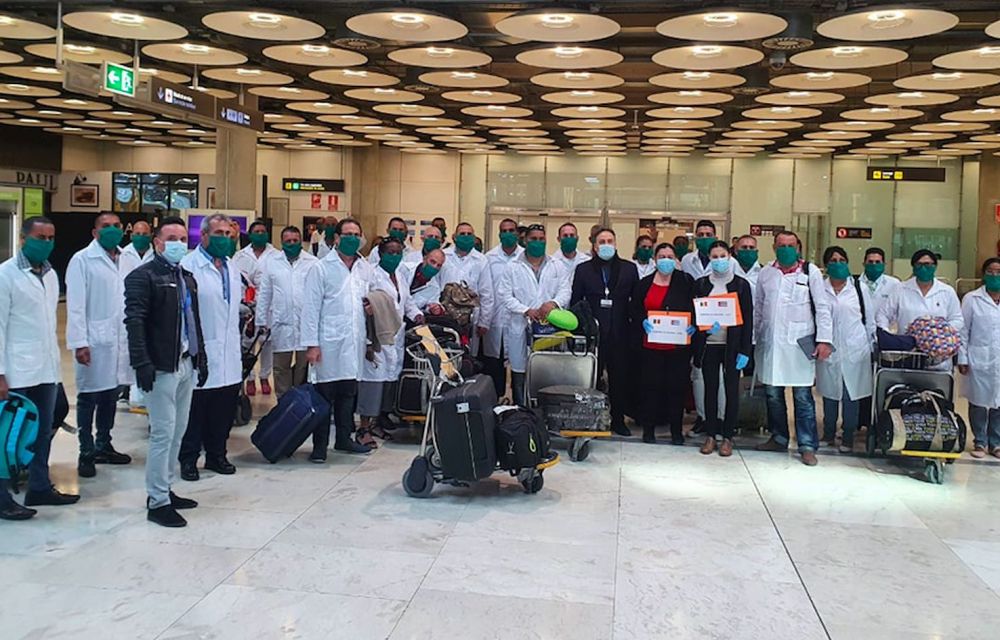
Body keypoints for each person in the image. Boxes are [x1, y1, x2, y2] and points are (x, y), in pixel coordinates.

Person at [124, 216, 207, 527]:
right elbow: (134, 322)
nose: (178, 244)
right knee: (162, 433)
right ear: (157, 243)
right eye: (172, 239)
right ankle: (157, 502)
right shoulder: (143, 276)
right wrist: (141, 363)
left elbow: (193, 322)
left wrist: (201, 357)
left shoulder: (186, 277)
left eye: (183, 239)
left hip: (185, 362)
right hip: (161, 366)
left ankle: (165, 488)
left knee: (178, 431)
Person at [0, 216, 79, 520]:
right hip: (15, 370)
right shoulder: (6, 275)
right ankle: (3, 496)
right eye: (40, 237)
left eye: (50, 238)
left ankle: (39, 486)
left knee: (42, 431)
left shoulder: (50, 275)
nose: (46, 243)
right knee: (9, 434)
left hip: (46, 369)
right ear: (23, 239)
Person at [755, 231, 833, 466]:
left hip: (799, 345)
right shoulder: (766, 273)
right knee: (773, 394)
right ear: (774, 247)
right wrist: (754, 337)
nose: (786, 249)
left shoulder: (810, 272)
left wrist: (824, 340)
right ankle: (778, 438)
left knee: (802, 396)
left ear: (798, 248)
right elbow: (759, 307)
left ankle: (807, 445)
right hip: (771, 343)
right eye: (781, 245)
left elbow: (822, 307)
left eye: (791, 245)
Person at [66, 212, 132, 479]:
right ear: (95, 232)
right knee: (88, 397)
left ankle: (104, 444)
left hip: (118, 339)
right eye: (106, 226)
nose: (112, 230)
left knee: (110, 394)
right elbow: (76, 305)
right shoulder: (82, 260)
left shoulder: (126, 258)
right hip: (93, 340)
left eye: (116, 226)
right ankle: (86, 450)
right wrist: (79, 342)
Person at [301, 218, 374, 459]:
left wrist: (371, 309)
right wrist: (312, 344)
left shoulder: (365, 268)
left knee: (348, 394)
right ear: (336, 238)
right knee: (324, 396)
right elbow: (310, 308)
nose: (352, 238)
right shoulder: (321, 268)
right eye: (347, 234)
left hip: (354, 341)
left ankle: (344, 440)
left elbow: (370, 300)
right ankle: (319, 447)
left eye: (356, 234)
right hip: (327, 343)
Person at [178, 213, 244, 481]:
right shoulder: (188, 266)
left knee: (223, 409)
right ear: (204, 235)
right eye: (218, 234)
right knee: (195, 411)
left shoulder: (232, 267)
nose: (224, 239)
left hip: (229, 353)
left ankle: (217, 455)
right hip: (200, 351)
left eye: (228, 234)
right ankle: (188, 459)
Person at [571, 227, 639, 436]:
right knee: (591, 378)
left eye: (610, 241)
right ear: (594, 246)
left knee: (620, 379)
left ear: (616, 244)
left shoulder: (629, 269)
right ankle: (589, 419)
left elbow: (636, 303)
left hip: (620, 333)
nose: (606, 245)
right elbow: (576, 302)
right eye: (602, 242)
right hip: (593, 334)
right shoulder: (583, 270)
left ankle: (618, 419)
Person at [357, 237, 422, 447]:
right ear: (381, 254)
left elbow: (407, 301)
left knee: (389, 380)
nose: (394, 256)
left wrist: (417, 314)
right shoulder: (372, 275)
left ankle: (377, 423)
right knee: (373, 382)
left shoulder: (400, 276)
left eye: (398, 253)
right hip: (377, 335)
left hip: (396, 335)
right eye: (390, 253)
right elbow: (365, 304)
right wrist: (368, 340)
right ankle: (363, 428)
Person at [691, 241, 754, 457]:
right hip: (709, 345)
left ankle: (727, 436)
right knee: (710, 390)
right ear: (709, 259)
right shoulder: (701, 284)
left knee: (731, 392)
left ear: (729, 257)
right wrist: (702, 329)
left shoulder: (741, 285)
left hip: (732, 347)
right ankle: (710, 434)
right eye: (714, 257)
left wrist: (745, 350)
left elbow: (748, 320)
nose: (719, 260)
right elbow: (695, 315)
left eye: (722, 256)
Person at [498, 224, 571, 405]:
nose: (537, 242)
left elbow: (565, 290)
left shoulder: (557, 265)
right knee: (519, 373)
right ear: (525, 240)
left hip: (549, 327)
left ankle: (545, 411)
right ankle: (521, 411)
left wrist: (553, 304)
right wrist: (526, 310)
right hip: (520, 324)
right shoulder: (512, 267)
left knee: (546, 372)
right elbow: (505, 295)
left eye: (541, 239)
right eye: (533, 239)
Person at [630, 243, 695, 444]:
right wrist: (642, 321)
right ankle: (648, 430)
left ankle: (676, 431)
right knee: (650, 388)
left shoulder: (686, 281)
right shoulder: (644, 283)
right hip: (651, 346)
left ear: (675, 260)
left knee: (676, 388)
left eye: (669, 256)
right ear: (655, 260)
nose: (666, 260)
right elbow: (634, 308)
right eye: (661, 256)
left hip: (678, 346)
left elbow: (695, 307)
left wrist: (693, 325)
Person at [815, 246, 875, 454]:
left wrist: (870, 346)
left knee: (851, 395)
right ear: (826, 265)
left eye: (842, 260)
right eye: (833, 260)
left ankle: (848, 436)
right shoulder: (820, 289)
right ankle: (828, 434)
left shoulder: (858, 288)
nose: (838, 264)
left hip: (855, 349)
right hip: (829, 347)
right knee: (830, 394)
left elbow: (869, 320)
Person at [682, 221, 738, 434]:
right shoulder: (688, 262)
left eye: (709, 234)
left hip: (728, 338)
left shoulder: (735, 275)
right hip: (703, 335)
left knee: (723, 384)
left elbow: (742, 309)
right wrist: (693, 326)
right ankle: (703, 418)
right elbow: (690, 300)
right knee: (700, 379)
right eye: (701, 234)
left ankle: (722, 422)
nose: (718, 260)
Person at [256, 226, 318, 399]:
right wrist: (261, 321)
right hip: (281, 323)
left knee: (303, 368)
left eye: (295, 240)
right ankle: (283, 402)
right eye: (288, 241)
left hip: (305, 325)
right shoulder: (272, 262)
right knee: (280, 367)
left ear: (301, 241)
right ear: (281, 242)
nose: (292, 243)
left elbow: (318, 295)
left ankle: (300, 402)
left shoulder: (312, 263)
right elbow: (265, 294)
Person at [876, 249, 963, 371]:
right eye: (919, 264)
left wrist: (936, 333)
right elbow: (883, 314)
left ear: (935, 266)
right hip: (908, 354)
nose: (924, 268)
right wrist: (888, 337)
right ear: (913, 267)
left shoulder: (947, 291)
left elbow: (957, 319)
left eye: (928, 264)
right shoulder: (901, 289)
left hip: (939, 357)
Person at [959, 258, 1000, 458]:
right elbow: (963, 330)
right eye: (990, 271)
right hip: (979, 357)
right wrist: (962, 357)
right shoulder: (972, 299)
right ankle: (980, 442)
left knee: (998, 402)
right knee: (978, 401)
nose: (995, 275)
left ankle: (996, 442)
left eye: (998, 272)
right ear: (984, 274)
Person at [233, 219, 279, 396]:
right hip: (247, 306)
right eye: (256, 232)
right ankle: (250, 377)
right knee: (247, 343)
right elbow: (237, 281)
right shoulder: (240, 256)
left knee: (267, 344)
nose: (260, 234)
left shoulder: (276, 255)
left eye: (263, 232)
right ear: (250, 235)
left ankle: (265, 376)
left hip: (269, 306)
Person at [483, 218, 523, 397]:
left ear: (517, 233)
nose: (508, 234)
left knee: (519, 365)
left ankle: (519, 402)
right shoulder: (489, 258)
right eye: (504, 231)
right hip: (496, 319)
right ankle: (496, 402)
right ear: (499, 234)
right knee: (495, 365)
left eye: (511, 230)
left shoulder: (525, 257)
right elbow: (486, 290)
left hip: (519, 318)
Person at [118, 220, 156, 410]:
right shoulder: (123, 255)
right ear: (131, 235)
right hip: (127, 306)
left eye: (145, 234)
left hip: (151, 307)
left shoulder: (156, 254)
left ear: (151, 235)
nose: (141, 237)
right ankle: (126, 390)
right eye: (138, 234)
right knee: (128, 351)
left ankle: (144, 392)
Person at [442, 222, 495, 352]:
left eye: (469, 234)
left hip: (470, 316)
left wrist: (484, 322)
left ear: (474, 238)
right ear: (454, 237)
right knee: (446, 351)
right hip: (445, 313)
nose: (466, 237)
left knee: (468, 353)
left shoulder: (481, 260)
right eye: (462, 234)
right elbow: (435, 285)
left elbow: (486, 292)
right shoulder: (444, 256)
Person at [860, 247, 901, 319]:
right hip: (860, 324)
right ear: (864, 264)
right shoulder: (853, 283)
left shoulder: (894, 284)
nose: (874, 264)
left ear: (884, 264)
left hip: (885, 324)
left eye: (877, 262)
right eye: (870, 262)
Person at [406, 245, 447, 315]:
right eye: (432, 262)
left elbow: (430, 305)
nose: (434, 266)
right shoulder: (404, 269)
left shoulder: (434, 288)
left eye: (439, 265)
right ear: (424, 259)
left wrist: (435, 309)